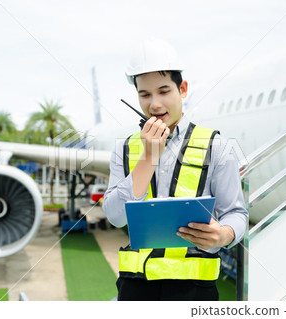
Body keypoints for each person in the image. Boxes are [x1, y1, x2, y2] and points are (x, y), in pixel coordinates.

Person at [103, 38, 248, 301]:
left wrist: (222, 235)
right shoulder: (124, 149)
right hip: (136, 287)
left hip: (195, 290)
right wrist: (149, 156)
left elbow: (236, 213)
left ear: (182, 89)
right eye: (144, 95)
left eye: (164, 91)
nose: (155, 105)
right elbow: (115, 217)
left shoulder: (217, 146)